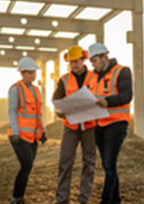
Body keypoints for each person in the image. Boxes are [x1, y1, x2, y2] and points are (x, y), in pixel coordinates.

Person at [87, 43, 133, 204]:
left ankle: (106, 201)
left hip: (116, 124)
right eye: (91, 62)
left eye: (94, 60)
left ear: (104, 57)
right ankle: (116, 200)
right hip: (99, 126)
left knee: (109, 162)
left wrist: (108, 101)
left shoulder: (122, 71)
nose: (92, 64)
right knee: (108, 166)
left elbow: (127, 95)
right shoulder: (93, 77)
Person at [53, 46, 97, 204]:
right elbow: (57, 100)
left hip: (90, 127)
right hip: (70, 127)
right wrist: (59, 111)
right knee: (65, 162)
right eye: (71, 63)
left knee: (89, 164)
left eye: (76, 62)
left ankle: (83, 199)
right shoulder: (64, 79)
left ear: (83, 59)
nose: (73, 65)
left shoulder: (94, 77)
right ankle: (61, 200)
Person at [8, 56, 47, 204]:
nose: (33, 75)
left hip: (33, 136)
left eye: (34, 72)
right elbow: (11, 111)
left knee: (28, 167)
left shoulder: (37, 90)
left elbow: (38, 113)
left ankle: (20, 197)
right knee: (26, 165)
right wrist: (15, 132)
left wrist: (43, 130)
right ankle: (16, 197)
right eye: (29, 73)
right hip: (19, 136)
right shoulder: (15, 89)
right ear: (22, 73)